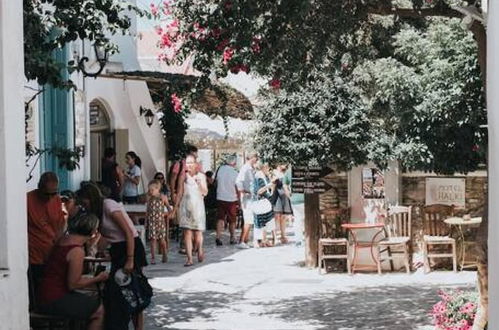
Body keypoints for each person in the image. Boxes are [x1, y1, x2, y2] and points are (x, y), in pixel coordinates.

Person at [76, 183, 149, 330]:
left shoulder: (109, 205)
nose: (84, 206)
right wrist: (95, 248)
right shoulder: (97, 212)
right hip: (117, 248)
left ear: (91, 198)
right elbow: (107, 234)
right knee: (118, 291)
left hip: (130, 246)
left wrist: (130, 259)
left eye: (85, 202)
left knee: (132, 289)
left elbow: (128, 232)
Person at [38, 213, 108, 330]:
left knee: (88, 300)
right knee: (99, 311)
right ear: (93, 231)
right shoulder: (76, 250)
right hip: (55, 297)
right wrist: (98, 278)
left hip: (45, 293)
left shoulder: (63, 240)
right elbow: (73, 284)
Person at [27, 172, 67, 303]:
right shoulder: (27, 200)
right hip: (35, 255)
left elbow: (61, 222)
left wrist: (59, 240)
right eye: (47, 194)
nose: (50, 197)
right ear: (39, 188)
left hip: (53, 252)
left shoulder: (56, 199)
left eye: (54, 193)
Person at [179, 154, 208, 266]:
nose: (189, 165)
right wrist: (175, 206)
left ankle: (200, 248)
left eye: (191, 162)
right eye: (187, 162)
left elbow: (205, 193)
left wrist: (199, 184)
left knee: (198, 232)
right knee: (187, 233)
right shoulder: (183, 176)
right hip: (186, 207)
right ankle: (189, 258)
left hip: (198, 207)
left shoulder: (201, 176)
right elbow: (180, 192)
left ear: (196, 164)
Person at [235, 152, 259, 249]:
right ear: (251, 157)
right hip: (247, 198)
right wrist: (243, 191)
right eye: (255, 157)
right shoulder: (245, 168)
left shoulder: (251, 168)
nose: (257, 159)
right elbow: (238, 181)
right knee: (248, 220)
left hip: (251, 198)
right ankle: (241, 241)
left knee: (250, 220)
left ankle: (245, 240)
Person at [214, 155, 239, 246]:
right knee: (232, 219)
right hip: (231, 198)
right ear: (234, 163)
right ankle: (232, 237)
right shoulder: (235, 173)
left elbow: (215, 181)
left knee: (220, 218)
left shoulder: (220, 169)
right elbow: (237, 187)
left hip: (220, 197)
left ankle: (218, 237)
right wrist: (239, 199)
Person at [146, 180, 169, 264]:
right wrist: (146, 222)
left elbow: (168, 207)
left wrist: (169, 214)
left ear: (157, 189)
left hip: (160, 222)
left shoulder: (162, 197)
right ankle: (153, 257)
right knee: (153, 240)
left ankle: (164, 253)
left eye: (152, 190)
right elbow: (147, 210)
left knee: (162, 240)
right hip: (152, 222)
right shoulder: (149, 198)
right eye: (149, 190)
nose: (150, 192)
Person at [253, 163, 276, 247]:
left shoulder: (265, 176)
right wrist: (269, 185)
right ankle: (258, 241)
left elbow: (270, 191)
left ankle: (264, 240)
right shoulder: (258, 177)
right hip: (261, 202)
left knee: (265, 221)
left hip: (266, 202)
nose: (268, 169)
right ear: (263, 167)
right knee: (260, 222)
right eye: (267, 167)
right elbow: (258, 191)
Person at [272, 163, 294, 244]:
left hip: (284, 196)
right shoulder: (274, 172)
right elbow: (272, 184)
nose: (285, 164)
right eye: (283, 163)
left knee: (284, 217)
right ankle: (276, 236)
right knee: (277, 216)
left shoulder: (286, 172)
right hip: (277, 196)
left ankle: (283, 236)